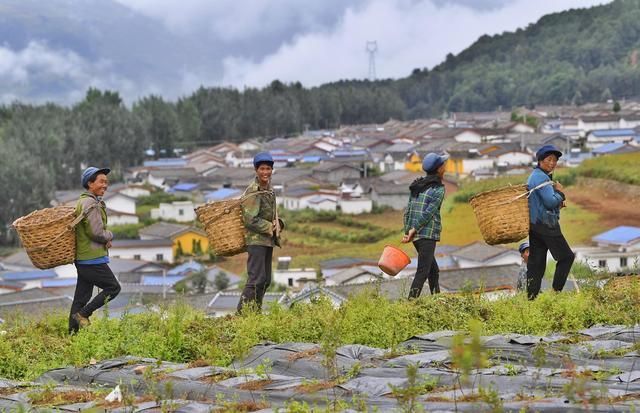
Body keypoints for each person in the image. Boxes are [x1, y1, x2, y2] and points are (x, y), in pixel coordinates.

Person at [69, 167, 121, 333]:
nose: (105, 185)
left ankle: (72, 335)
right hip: (92, 258)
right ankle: (83, 314)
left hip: (84, 258)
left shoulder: (84, 201)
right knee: (113, 288)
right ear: (90, 183)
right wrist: (109, 235)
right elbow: (97, 233)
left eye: (106, 182)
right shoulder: (91, 203)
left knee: (81, 297)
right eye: (101, 181)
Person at [237, 152, 284, 313]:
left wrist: (279, 224)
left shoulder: (269, 190)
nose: (266, 172)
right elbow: (249, 219)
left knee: (265, 280)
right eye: (262, 169)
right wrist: (269, 227)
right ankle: (242, 314)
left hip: (267, 241)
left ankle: (254, 312)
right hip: (256, 241)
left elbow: (268, 214)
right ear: (256, 170)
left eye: (268, 169)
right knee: (256, 279)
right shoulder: (253, 191)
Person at [526, 144, 575, 300]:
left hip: (535, 225)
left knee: (536, 264)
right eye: (549, 159)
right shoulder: (541, 177)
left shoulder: (534, 175)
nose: (552, 163)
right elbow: (549, 202)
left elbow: (544, 202)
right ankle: (556, 293)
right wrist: (560, 192)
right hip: (547, 225)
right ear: (540, 161)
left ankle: (531, 299)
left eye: (555, 160)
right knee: (566, 257)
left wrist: (556, 199)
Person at [402, 152, 449, 299]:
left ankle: (437, 298)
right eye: (444, 165)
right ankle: (410, 303)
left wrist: (408, 231)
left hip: (416, 236)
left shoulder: (417, 185)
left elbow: (408, 210)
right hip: (427, 235)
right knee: (423, 271)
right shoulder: (438, 189)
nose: (446, 167)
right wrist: (413, 229)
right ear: (439, 169)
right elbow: (428, 213)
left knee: (433, 270)